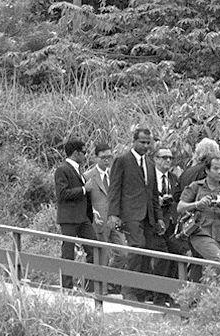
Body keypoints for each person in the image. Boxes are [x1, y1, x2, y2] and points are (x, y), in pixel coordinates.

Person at [107, 128, 165, 302]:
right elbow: (114, 188)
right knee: (136, 247)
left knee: (147, 251)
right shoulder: (122, 161)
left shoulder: (150, 163)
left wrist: (159, 217)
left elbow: (154, 194)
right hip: (130, 213)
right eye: (142, 142)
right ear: (134, 141)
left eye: (148, 142)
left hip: (149, 215)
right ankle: (128, 289)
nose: (146, 146)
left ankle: (140, 292)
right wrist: (113, 214)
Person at [177, 154, 220, 265]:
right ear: (207, 170)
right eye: (215, 168)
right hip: (200, 232)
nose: (219, 172)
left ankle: (190, 282)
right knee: (218, 262)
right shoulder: (196, 186)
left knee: (204, 269)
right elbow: (180, 207)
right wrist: (197, 204)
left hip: (218, 236)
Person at [149, 145, 188, 306]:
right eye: (164, 157)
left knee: (175, 257)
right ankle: (157, 297)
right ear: (156, 159)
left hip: (172, 223)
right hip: (155, 224)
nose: (168, 161)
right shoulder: (149, 177)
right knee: (161, 260)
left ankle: (170, 296)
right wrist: (156, 201)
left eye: (170, 158)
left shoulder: (174, 178)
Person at [55, 139, 97, 290]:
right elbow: (62, 194)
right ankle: (66, 287)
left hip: (82, 217)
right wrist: (84, 189)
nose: (85, 155)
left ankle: (90, 286)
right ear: (75, 153)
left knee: (94, 248)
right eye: (84, 152)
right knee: (68, 252)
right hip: (69, 218)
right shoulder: (63, 169)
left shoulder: (77, 169)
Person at [83, 143, 127, 273]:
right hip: (98, 223)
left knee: (123, 254)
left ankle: (109, 280)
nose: (107, 160)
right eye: (103, 157)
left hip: (114, 221)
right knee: (102, 257)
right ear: (96, 158)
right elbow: (84, 201)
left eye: (109, 157)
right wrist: (92, 213)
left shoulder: (115, 175)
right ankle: (99, 287)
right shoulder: (88, 176)